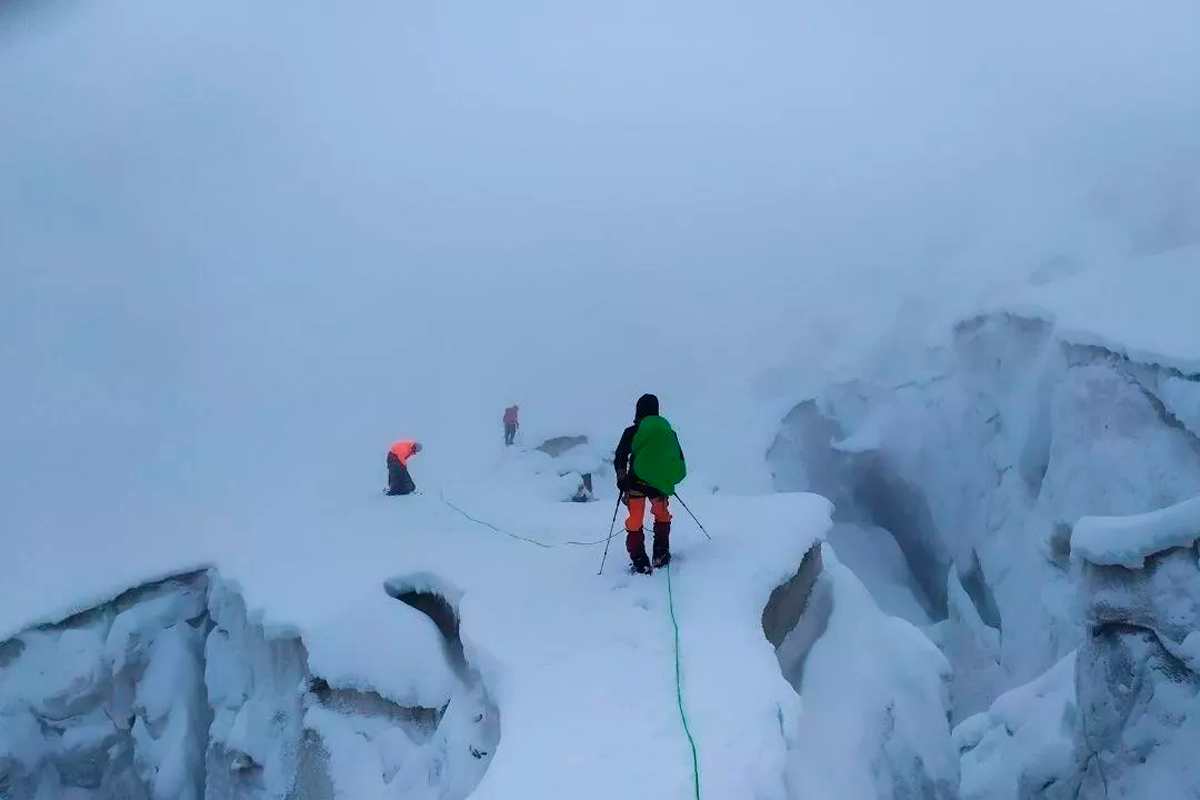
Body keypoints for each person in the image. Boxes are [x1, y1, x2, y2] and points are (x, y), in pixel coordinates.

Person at [613, 394, 687, 573]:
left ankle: (639, 559)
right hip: (658, 484)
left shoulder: (632, 431)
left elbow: (620, 456)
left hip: (635, 482)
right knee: (662, 514)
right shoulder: (668, 432)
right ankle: (660, 553)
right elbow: (677, 458)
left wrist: (622, 480)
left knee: (635, 520)